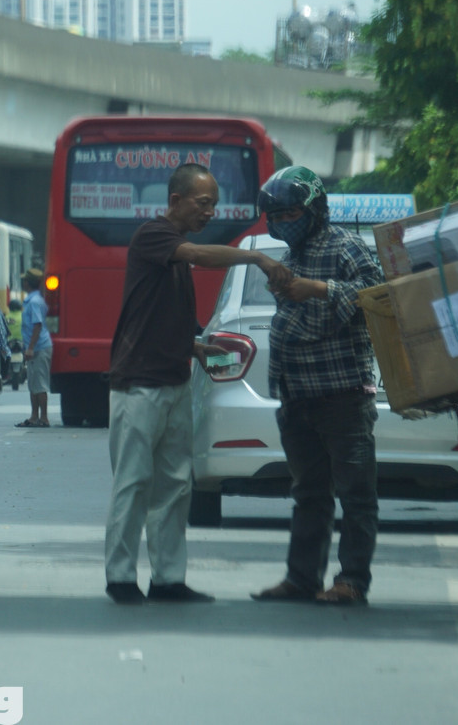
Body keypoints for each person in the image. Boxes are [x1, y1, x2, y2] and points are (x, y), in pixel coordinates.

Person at [105, 163, 293, 605]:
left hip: (174, 380)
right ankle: (120, 577)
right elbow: (200, 256)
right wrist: (256, 256)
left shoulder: (173, 254)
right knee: (133, 483)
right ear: (175, 201)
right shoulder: (155, 237)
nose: (209, 212)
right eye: (203, 203)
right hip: (139, 385)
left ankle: (169, 578)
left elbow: (157, 315)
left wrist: (195, 346)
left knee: (174, 485)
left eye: (214, 205)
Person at [250, 166, 384, 607]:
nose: (282, 222)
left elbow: (377, 293)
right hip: (297, 395)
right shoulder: (290, 255)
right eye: (275, 216)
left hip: (341, 394)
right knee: (309, 494)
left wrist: (321, 290)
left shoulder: (344, 246)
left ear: (315, 209)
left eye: (290, 213)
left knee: (355, 494)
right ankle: (302, 578)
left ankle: (352, 582)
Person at [16, 268, 53, 428]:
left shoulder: (35, 302)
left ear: (27, 283)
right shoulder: (31, 300)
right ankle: (33, 416)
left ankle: (43, 417)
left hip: (39, 348)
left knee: (40, 384)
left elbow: (37, 326)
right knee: (33, 383)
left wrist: (30, 348)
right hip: (34, 347)